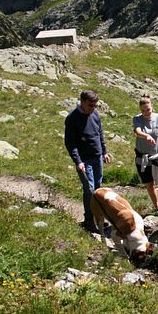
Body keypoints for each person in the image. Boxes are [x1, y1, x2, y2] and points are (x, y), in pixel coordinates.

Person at [64, 89, 112, 233]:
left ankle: (99, 219)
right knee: (89, 190)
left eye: (95, 105)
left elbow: (99, 134)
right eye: (91, 105)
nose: (94, 108)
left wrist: (104, 152)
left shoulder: (95, 114)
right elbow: (70, 143)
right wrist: (78, 161)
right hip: (84, 160)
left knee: (98, 188)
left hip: (97, 157)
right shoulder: (72, 118)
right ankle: (89, 221)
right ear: (82, 102)